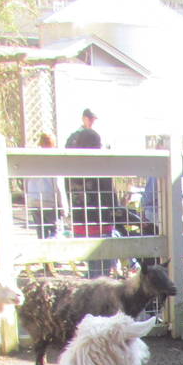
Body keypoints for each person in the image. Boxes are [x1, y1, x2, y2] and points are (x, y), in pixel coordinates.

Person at [64, 110, 114, 275]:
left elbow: (68, 192)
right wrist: (118, 211)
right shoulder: (101, 168)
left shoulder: (71, 168)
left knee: (94, 271)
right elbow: (109, 197)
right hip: (100, 226)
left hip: (79, 226)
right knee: (101, 274)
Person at [24, 132, 67, 239]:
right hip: (49, 202)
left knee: (41, 233)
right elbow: (58, 185)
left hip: (34, 200)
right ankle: (55, 254)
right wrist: (64, 206)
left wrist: (27, 197)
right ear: (53, 144)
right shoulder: (54, 159)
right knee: (56, 233)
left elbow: (26, 180)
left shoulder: (31, 159)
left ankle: (43, 254)